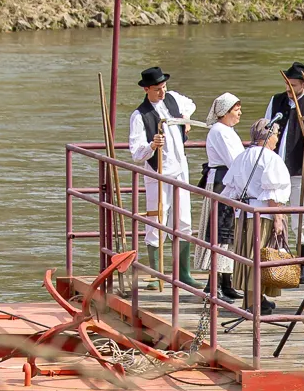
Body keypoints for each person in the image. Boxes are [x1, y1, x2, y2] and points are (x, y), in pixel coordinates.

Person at [125, 66, 194, 283]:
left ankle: (184, 273)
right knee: (157, 220)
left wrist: (186, 118)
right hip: (158, 172)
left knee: (184, 219)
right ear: (146, 89)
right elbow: (136, 152)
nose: (162, 92)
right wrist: (152, 146)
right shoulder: (140, 115)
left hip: (180, 169)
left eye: (164, 87)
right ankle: (156, 274)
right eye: (157, 89)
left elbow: (190, 104)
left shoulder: (173, 99)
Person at [222, 118, 294, 312]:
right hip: (262, 214)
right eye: (276, 134)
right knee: (259, 255)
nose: (277, 139)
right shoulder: (269, 158)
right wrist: (278, 218)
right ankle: (253, 304)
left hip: (243, 214)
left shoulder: (242, 157)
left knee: (248, 255)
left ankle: (255, 300)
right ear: (268, 136)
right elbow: (272, 192)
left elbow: (229, 191)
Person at [263, 62, 304, 254]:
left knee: (302, 214)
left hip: (300, 167)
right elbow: (266, 128)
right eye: (287, 84)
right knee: (275, 211)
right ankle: (277, 254)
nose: (288, 89)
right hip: (276, 166)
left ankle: (303, 258)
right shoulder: (277, 100)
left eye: (293, 85)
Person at [201, 92, 247, 303]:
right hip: (222, 183)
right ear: (225, 112)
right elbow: (234, 160)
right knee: (219, 232)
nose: (239, 113)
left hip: (230, 182)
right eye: (236, 110)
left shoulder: (228, 131)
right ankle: (213, 284)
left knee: (229, 234)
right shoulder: (219, 131)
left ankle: (226, 282)